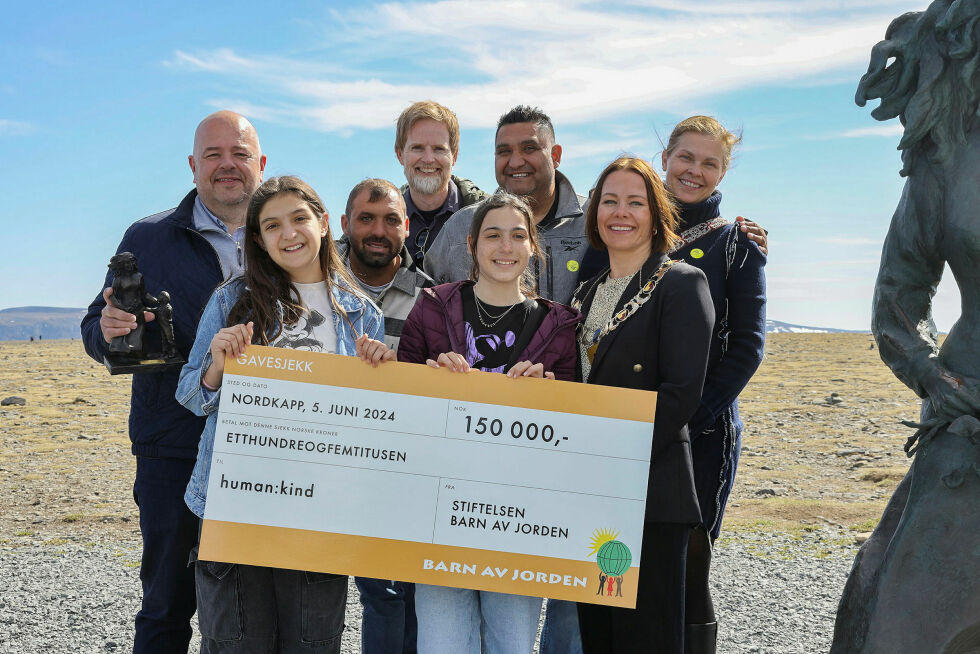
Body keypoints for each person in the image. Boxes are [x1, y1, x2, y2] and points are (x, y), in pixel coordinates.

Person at [80, 110, 266, 653]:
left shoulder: (287, 230)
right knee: (165, 605)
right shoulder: (149, 238)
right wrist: (111, 332)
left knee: (251, 610)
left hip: (271, 448)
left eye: (238, 154)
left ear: (261, 163)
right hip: (172, 446)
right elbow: (97, 325)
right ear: (192, 166)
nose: (226, 166)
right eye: (213, 155)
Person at [176, 175, 387, 652]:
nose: (288, 234)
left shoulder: (360, 313)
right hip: (236, 502)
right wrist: (217, 367)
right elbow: (190, 394)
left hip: (319, 508)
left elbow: (367, 424)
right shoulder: (231, 300)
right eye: (272, 226)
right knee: (235, 641)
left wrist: (379, 377)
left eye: (299, 219)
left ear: (325, 223)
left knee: (311, 642)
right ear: (259, 239)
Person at [395, 191, 581, 653]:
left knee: (513, 645)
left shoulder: (560, 326)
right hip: (440, 515)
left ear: (532, 246)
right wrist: (428, 381)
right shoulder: (432, 307)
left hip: (519, 521)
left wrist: (551, 394)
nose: (506, 247)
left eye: (518, 236)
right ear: (473, 245)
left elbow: (576, 424)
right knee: (442, 645)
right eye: (493, 235)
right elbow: (399, 406)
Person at [572, 157, 713, 653]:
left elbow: (680, 394)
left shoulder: (681, 283)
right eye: (609, 200)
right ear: (594, 212)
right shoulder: (586, 293)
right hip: (590, 494)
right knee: (600, 637)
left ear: (656, 214)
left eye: (636, 202)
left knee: (646, 640)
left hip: (651, 492)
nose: (620, 212)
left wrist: (611, 456)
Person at [659, 116, 766, 654]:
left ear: (723, 172)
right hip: (628, 427)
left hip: (702, 431)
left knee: (688, 565)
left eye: (709, 163)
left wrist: (681, 419)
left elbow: (747, 348)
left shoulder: (737, 245)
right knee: (621, 560)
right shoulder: (625, 227)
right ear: (665, 158)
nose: (694, 171)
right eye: (686, 157)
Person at [337, 177, 432, 653]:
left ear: (407, 227)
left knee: (393, 595)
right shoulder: (310, 286)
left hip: (398, 472)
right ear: (344, 224)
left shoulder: (431, 299)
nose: (379, 230)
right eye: (366, 218)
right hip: (322, 464)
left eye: (391, 219)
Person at [424, 105, 590, 304]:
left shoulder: (592, 221)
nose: (516, 162)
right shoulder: (460, 228)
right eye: (504, 151)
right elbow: (428, 307)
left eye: (529, 148)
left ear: (555, 156)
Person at [395, 100, 488, 269]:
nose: (429, 159)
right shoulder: (381, 219)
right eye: (417, 148)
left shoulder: (488, 216)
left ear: (455, 156)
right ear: (400, 155)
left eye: (439, 149)